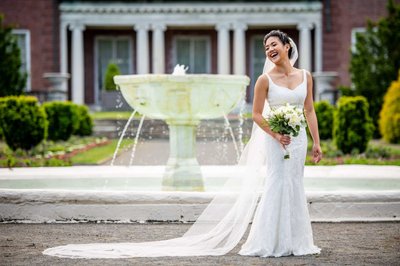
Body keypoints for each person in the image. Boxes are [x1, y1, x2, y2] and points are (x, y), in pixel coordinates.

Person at [43, 30, 322, 259]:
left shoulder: (305, 76)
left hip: (297, 140)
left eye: (274, 45)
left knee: (295, 184)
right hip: (276, 140)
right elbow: (257, 115)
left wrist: (315, 143)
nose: (269, 50)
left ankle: (297, 242)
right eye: (265, 47)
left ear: (287, 46)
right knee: (275, 184)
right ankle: (270, 242)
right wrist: (275, 134)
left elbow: (309, 110)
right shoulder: (264, 80)